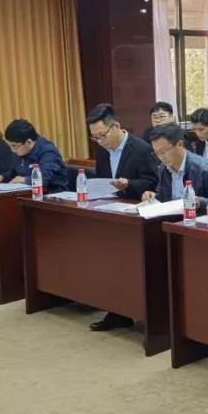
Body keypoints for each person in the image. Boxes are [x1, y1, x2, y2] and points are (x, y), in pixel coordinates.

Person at [87, 103, 159, 332]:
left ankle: (135, 311)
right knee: (110, 265)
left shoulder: (141, 149)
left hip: (136, 217)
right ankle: (117, 310)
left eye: (102, 135)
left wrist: (129, 184)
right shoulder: (102, 151)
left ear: (116, 126)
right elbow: (103, 180)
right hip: (111, 214)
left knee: (130, 267)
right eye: (94, 137)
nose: (99, 141)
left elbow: (153, 183)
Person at [143, 123, 208, 205]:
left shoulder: (205, 170)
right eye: (157, 153)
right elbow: (164, 197)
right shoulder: (163, 168)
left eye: (163, 152)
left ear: (180, 144)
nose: (161, 157)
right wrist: (154, 196)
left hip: (196, 213)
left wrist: (199, 202)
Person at [0, 119, 67, 194]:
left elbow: (44, 178)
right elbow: (13, 172)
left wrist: (23, 180)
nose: (12, 150)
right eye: (10, 146)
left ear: (28, 142)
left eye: (14, 146)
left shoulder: (48, 151)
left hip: (52, 194)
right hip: (26, 193)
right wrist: (1, 177)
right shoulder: (21, 150)